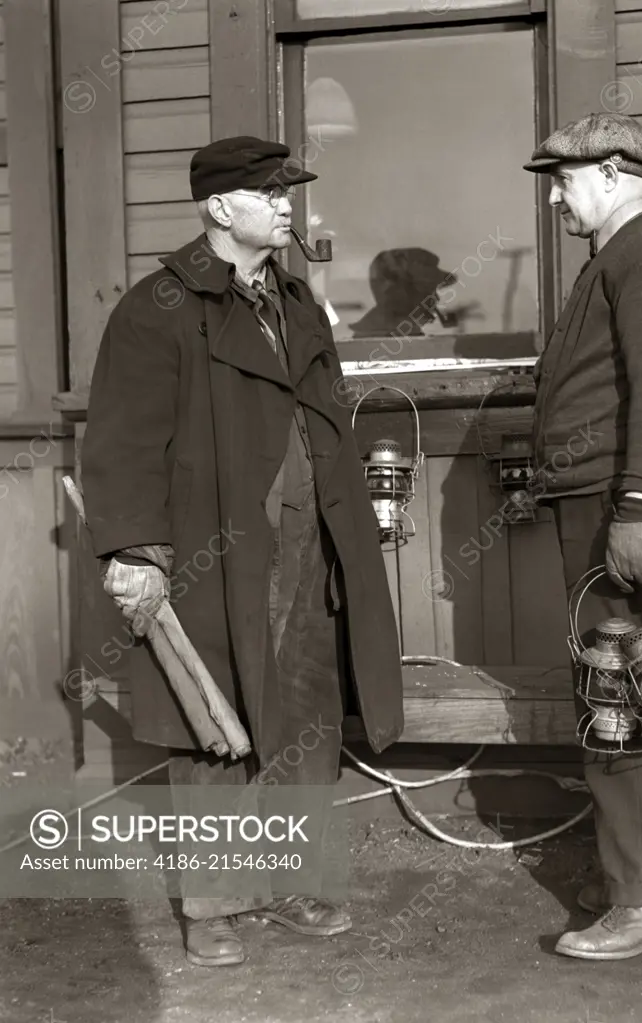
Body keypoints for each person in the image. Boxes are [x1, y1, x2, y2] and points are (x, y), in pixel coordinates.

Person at [80, 136, 404, 967]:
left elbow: (328, 421)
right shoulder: (156, 306)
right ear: (222, 209)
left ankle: (290, 883)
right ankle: (216, 906)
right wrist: (135, 553)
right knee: (212, 723)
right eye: (272, 193)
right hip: (212, 549)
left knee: (301, 712)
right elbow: (122, 440)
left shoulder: (297, 302)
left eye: (288, 191)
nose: (289, 204)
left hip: (310, 543)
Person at [523, 112, 642, 960]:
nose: (558, 196)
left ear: (609, 171)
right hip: (607, 497)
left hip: (617, 503)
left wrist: (638, 505)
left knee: (619, 700)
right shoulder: (620, 257)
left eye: (564, 179)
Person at [349, 248, 457, 338]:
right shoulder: (387, 335)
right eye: (428, 290)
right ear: (401, 292)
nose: (436, 298)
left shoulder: (404, 331)